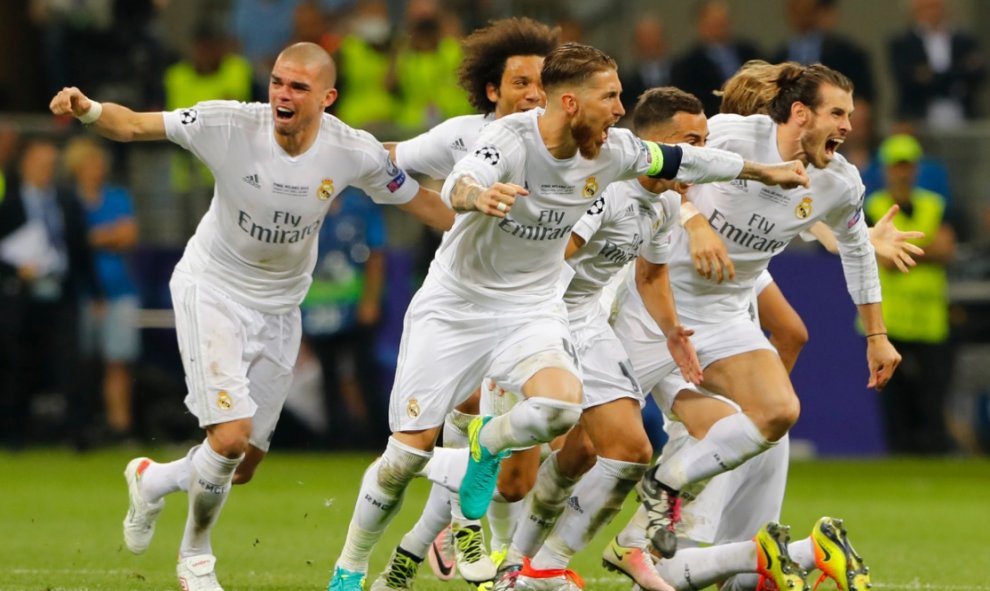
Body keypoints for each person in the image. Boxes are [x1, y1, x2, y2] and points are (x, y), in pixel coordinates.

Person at [327, 42, 809, 591]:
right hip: (456, 308)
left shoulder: (616, 153)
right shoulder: (508, 138)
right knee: (405, 458)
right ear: (572, 103)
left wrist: (763, 172)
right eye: (610, 96)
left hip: (532, 310)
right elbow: (464, 178)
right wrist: (474, 198)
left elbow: (687, 161)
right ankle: (352, 567)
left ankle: (506, 508)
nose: (620, 108)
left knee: (561, 408)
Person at [49, 41, 455, 591]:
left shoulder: (350, 150)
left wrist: (489, 225)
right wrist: (88, 109)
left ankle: (152, 478)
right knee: (230, 435)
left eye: (298, 87)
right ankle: (195, 558)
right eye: (278, 83)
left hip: (280, 308)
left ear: (328, 98)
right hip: (212, 289)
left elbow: (420, 202)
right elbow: (134, 127)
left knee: (241, 465)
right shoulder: (229, 124)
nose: (282, 95)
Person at [625, 60, 901, 570]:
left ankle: (670, 494)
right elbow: (662, 164)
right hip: (649, 299)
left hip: (725, 309)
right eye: (837, 113)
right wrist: (691, 221)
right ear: (800, 112)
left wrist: (876, 335)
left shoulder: (840, 182)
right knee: (580, 443)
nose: (848, 125)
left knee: (777, 413)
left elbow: (857, 250)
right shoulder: (731, 134)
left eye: (851, 114)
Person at [375, 17, 559, 590]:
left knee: (516, 479)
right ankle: (484, 549)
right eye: (523, 82)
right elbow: (389, 160)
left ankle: (414, 554)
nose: (535, 94)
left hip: (543, 309)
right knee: (465, 433)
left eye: (543, 83)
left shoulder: (567, 141)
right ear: (493, 89)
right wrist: (429, 205)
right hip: (467, 306)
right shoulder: (461, 136)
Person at [0, 138, 100, 449]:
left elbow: (81, 250)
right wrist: (14, 270)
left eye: (51, 165)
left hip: (61, 294)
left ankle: (76, 435)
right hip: (19, 296)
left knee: (69, 363)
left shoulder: (66, 201)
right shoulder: (8, 201)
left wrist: (95, 292)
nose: (47, 170)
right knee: (15, 364)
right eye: (41, 164)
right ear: (25, 165)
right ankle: (12, 434)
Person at [866, 133, 956, 454]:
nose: (902, 172)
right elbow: (887, 260)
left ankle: (934, 453)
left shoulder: (935, 203)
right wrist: (927, 248)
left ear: (915, 168)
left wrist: (904, 249)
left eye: (907, 165)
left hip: (930, 318)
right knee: (895, 399)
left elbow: (947, 249)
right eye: (897, 165)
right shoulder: (873, 205)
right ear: (887, 169)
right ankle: (900, 455)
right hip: (889, 321)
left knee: (933, 394)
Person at [64, 135, 142, 442]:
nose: (96, 169)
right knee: (82, 363)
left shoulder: (117, 196)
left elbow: (128, 236)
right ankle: (83, 426)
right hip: (81, 292)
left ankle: (119, 427)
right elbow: (70, 241)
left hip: (119, 291)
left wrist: (90, 238)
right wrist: (106, 236)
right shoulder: (68, 199)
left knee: (118, 361)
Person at [888, 0, 985, 127]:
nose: (932, 13)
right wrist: (957, 75)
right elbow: (906, 80)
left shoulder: (966, 41)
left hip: (963, 119)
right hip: (919, 120)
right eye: (926, 8)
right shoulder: (901, 43)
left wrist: (930, 76)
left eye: (935, 7)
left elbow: (978, 76)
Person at [670, 0, 761, 116]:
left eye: (722, 21)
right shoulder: (686, 67)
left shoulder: (749, 52)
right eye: (714, 22)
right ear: (700, 24)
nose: (719, 26)